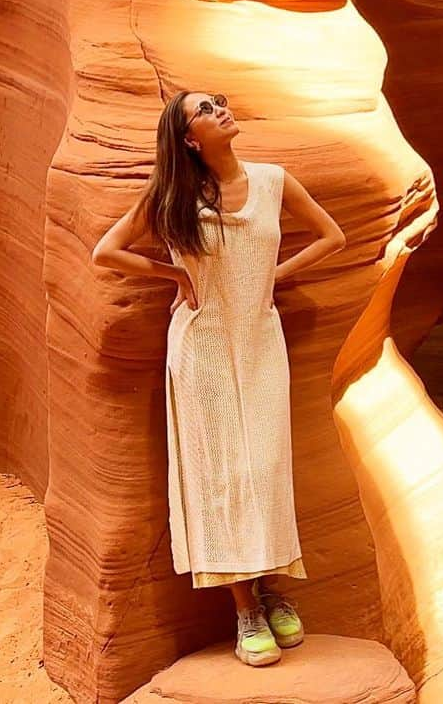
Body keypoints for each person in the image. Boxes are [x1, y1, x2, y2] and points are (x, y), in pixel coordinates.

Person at [91, 89, 347, 667]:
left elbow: (334, 237)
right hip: (201, 343)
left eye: (220, 103)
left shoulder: (275, 180)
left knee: (264, 465)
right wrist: (173, 276)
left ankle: (275, 586)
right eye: (205, 111)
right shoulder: (173, 195)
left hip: (260, 338)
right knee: (220, 472)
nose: (221, 111)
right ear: (189, 139)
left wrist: (272, 276)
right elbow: (106, 252)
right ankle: (246, 610)